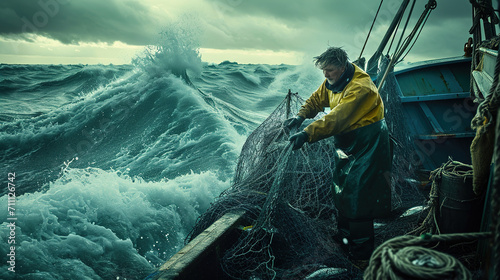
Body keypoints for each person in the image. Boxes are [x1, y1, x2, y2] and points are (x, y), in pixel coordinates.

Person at [284, 47, 392, 263]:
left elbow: (336, 118)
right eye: (323, 70)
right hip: (346, 146)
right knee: (341, 190)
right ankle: (345, 239)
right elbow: (317, 99)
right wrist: (300, 116)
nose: (325, 75)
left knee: (359, 197)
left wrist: (307, 133)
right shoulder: (334, 81)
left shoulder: (361, 88)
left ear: (343, 67)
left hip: (368, 145)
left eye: (330, 71)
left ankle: (361, 256)